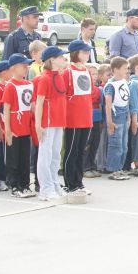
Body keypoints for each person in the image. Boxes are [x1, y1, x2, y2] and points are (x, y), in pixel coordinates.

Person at [34, 46, 69, 201]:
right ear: (52, 59)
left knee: (55, 156)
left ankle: (54, 183)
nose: (64, 59)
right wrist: (38, 125)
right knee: (45, 155)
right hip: (47, 123)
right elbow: (39, 102)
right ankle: (45, 188)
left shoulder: (59, 77)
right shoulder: (44, 78)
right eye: (61, 57)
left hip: (58, 122)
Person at [62, 40, 94, 198]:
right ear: (75, 53)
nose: (87, 54)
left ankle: (79, 182)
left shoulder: (87, 71)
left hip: (86, 116)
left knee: (81, 151)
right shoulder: (68, 72)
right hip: (73, 117)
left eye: (88, 52)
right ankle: (70, 183)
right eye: (84, 52)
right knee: (72, 151)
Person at [2, 54, 36, 198]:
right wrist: (8, 130)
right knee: (13, 158)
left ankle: (25, 184)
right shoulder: (10, 86)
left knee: (24, 158)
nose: (26, 68)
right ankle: (15, 185)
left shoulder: (29, 84)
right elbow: (6, 109)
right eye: (23, 66)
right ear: (14, 68)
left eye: (27, 66)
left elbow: (32, 106)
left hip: (26, 128)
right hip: (15, 128)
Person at [103, 57, 132, 180]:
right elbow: (108, 105)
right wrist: (110, 122)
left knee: (124, 146)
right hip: (116, 118)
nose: (127, 71)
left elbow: (127, 101)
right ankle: (113, 169)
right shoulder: (110, 85)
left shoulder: (124, 82)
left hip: (125, 116)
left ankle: (120, 168)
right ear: (116, 69)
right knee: (116, 145)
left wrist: (129, 117)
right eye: (124, 68)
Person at [84, 63, 109, 177]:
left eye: (95, 74)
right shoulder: (83, 89)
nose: (94, 76)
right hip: (87, 118)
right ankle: (85, 167)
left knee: (95, 142)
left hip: (97, 118)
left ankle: (92, 165)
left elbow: (100, 105)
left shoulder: (98, 90)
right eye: (91, 73)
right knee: (87, 144)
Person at [0, 60, 12, 191]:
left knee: (9, 155)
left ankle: (9, 177)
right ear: (4, 73)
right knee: (1, 154)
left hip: (10, 127)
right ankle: (1, 179)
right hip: (2, 127)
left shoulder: (9, 86)